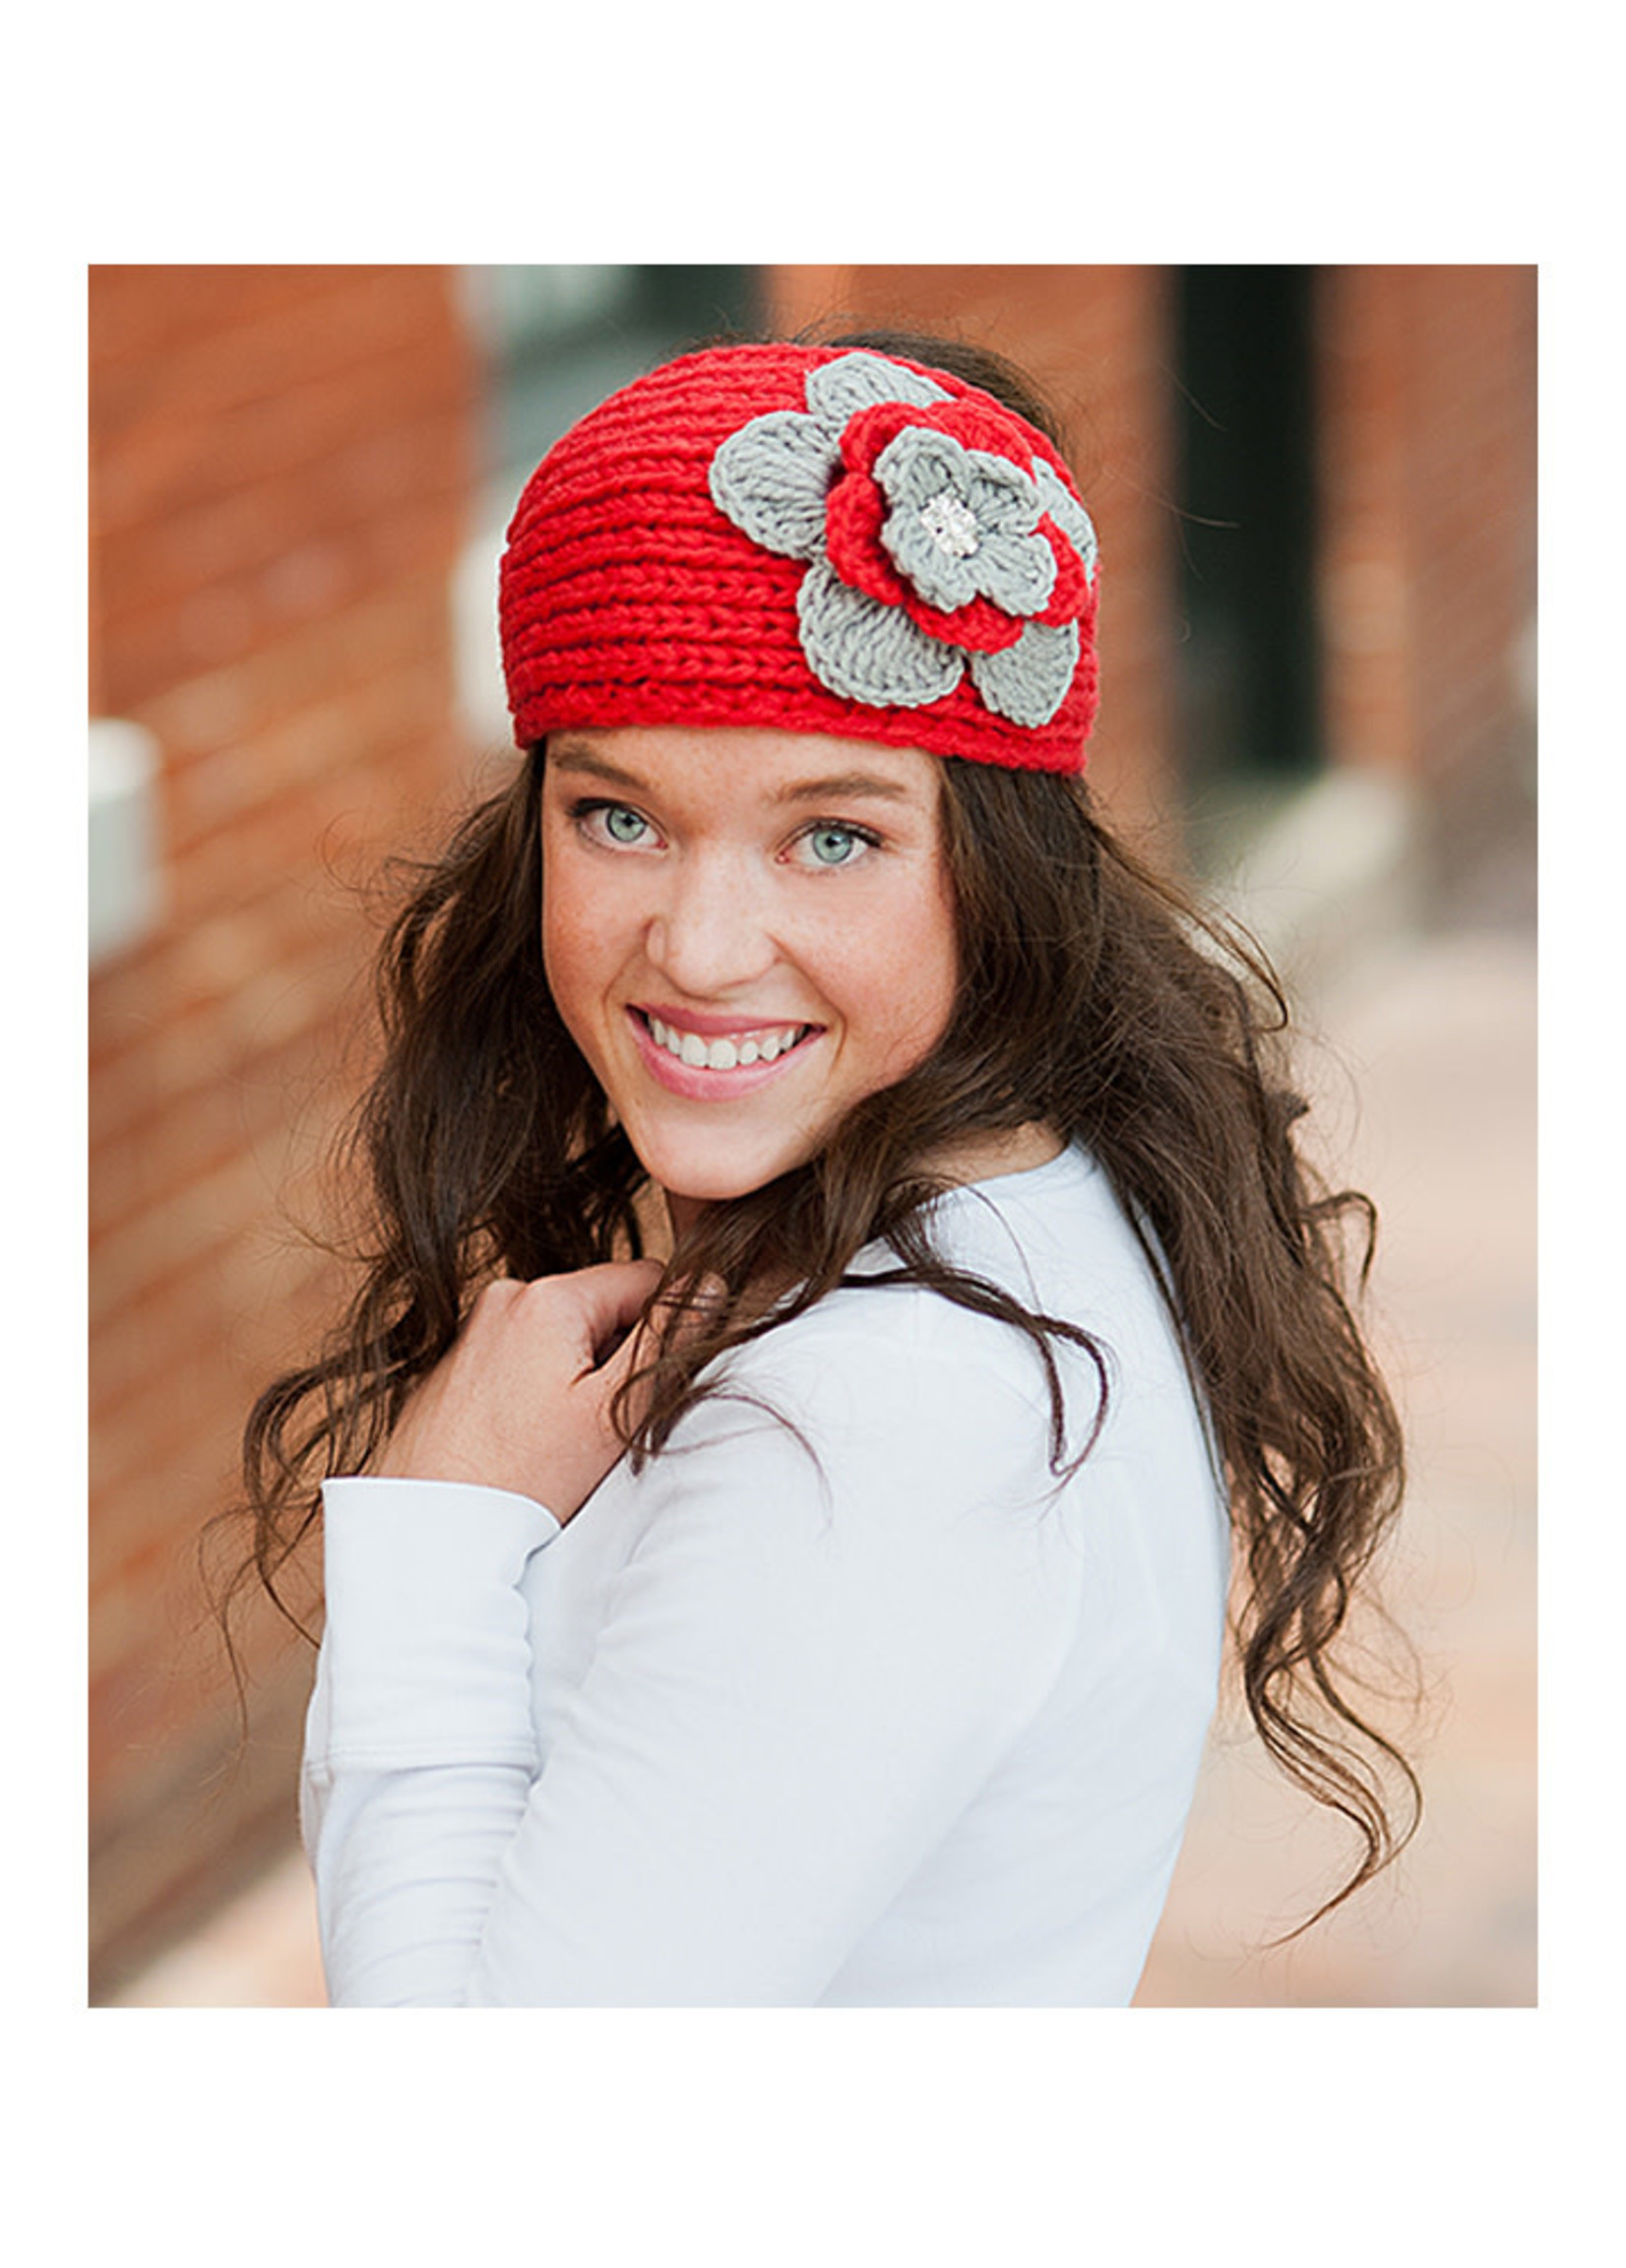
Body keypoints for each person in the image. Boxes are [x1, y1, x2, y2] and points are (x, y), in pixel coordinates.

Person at [234, 328, 1416, 2005]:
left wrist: (438, 1528)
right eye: (618, 815)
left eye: (834, 834)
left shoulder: (877, 1417)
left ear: (992, 865)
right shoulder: (1027, 1201)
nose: (701, 948)